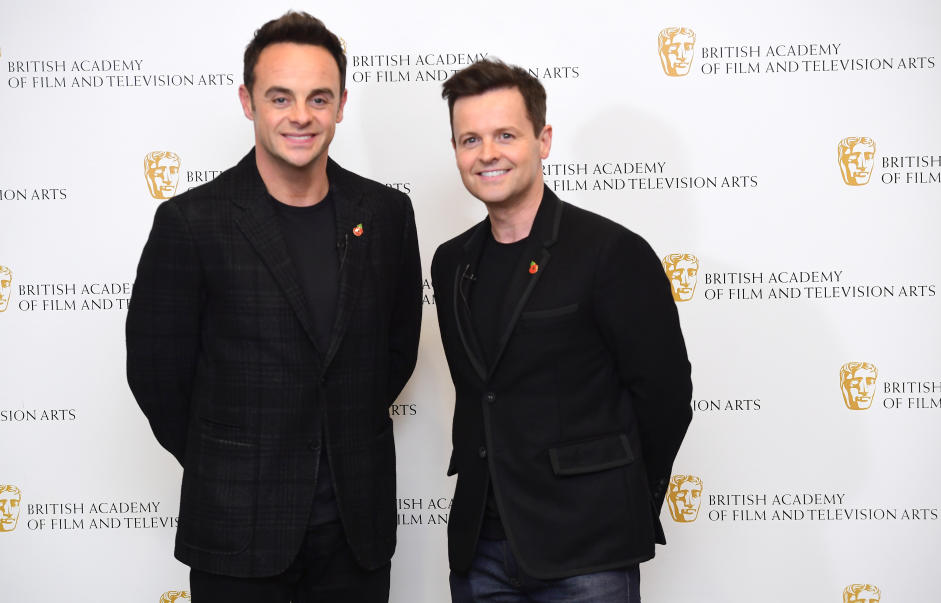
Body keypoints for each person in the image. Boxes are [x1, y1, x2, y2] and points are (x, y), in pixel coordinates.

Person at [126, 11, 421, 602]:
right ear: (247, 100)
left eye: (318, 98)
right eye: (280, 97)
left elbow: (395, 351)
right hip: (236, 526)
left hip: (354, 532)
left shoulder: (386, 215)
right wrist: (231, 456)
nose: (300, 116)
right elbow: (157, 377)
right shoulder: (191, 222)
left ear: (340, 105)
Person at [432, 59, 692, 602]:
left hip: (588, 550)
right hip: (479, 552)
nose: (487, 154)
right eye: (470, 139)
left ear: (542, 139)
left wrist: (621, 500)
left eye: (506, 135)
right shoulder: (451, 262)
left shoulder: (611, 253)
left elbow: (666, 396)